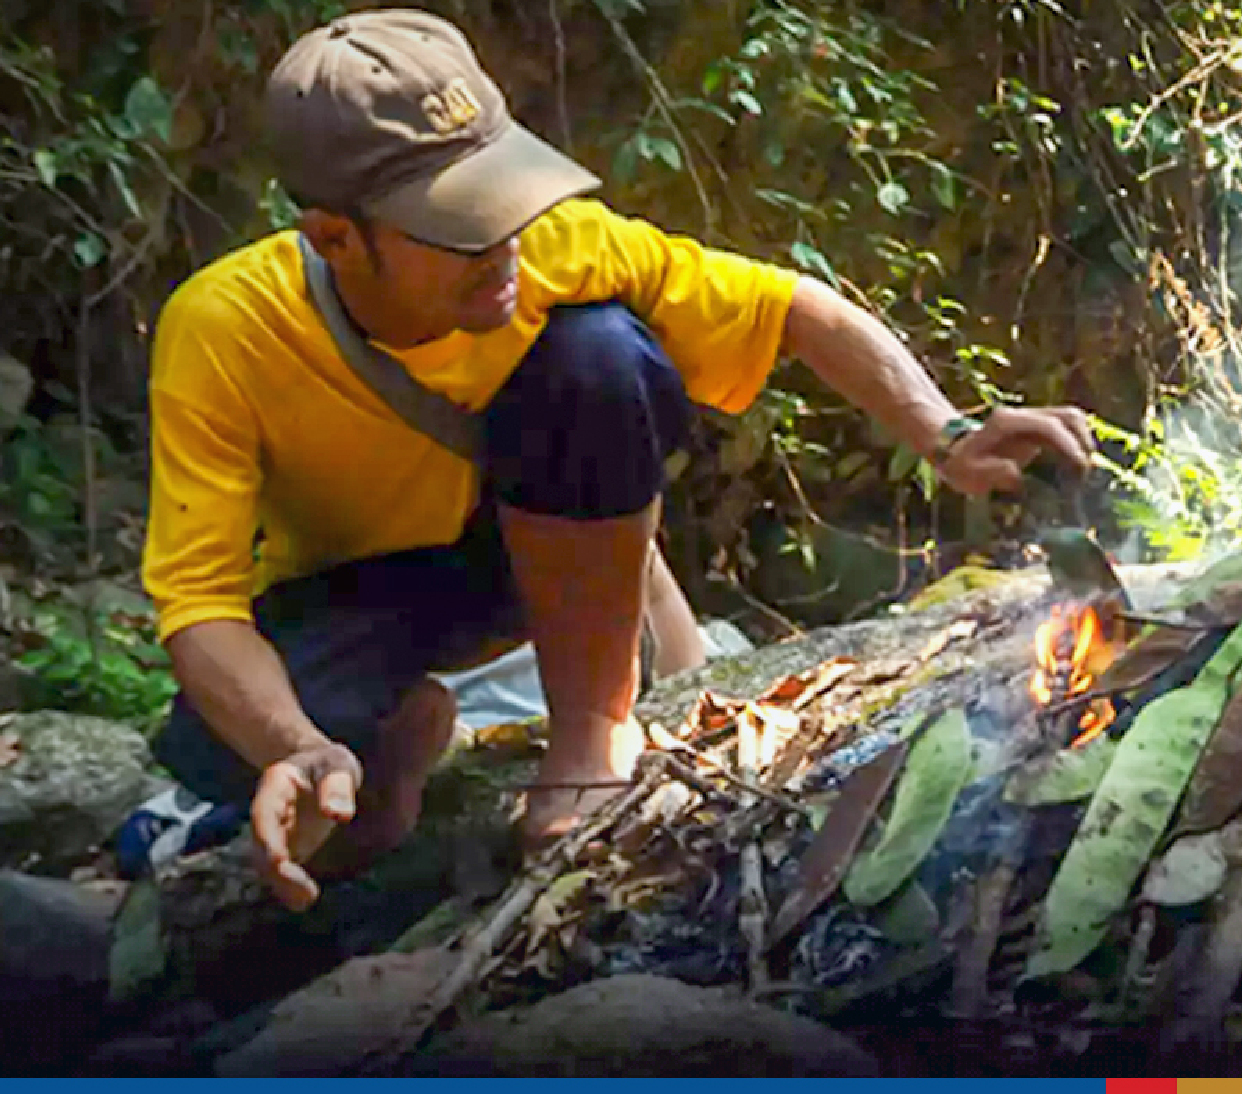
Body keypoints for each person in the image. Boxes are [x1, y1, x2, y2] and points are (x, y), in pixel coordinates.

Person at [140, 8, 1093, 913]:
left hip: (524, 555)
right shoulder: (225, 328)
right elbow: (201, 604)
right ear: (336, 239)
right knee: (221, 747)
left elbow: (789, 308)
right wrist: (297, 746)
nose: (507, 242)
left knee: (598, 355)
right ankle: (389, 760)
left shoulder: (555, 249)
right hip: (356, 599)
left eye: (502, 194)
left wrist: (946, 432)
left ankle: (591, 730)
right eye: (459, 222)